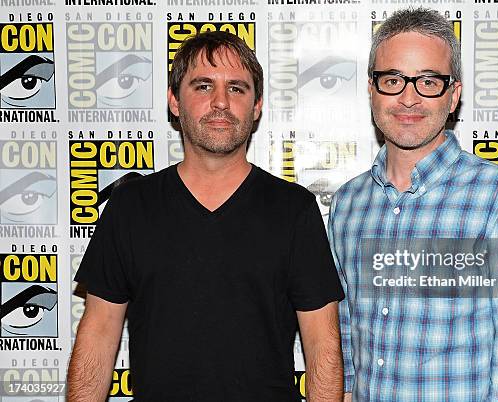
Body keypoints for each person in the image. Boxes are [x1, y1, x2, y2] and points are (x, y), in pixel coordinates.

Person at [68, 31, 344, 401]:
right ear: (174, 101)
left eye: (236, 88)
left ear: (257, 105)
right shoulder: (130, 205)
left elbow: (322, 344)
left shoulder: (294, 208)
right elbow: (99, 330)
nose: (220, 102)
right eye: (202, 86)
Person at [328, 8, 498, 402]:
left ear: (453, 96)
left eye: (428, 81)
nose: (408, 97)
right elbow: (344, 332)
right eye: (392, 79)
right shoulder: (347, 204)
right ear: (371, 90)